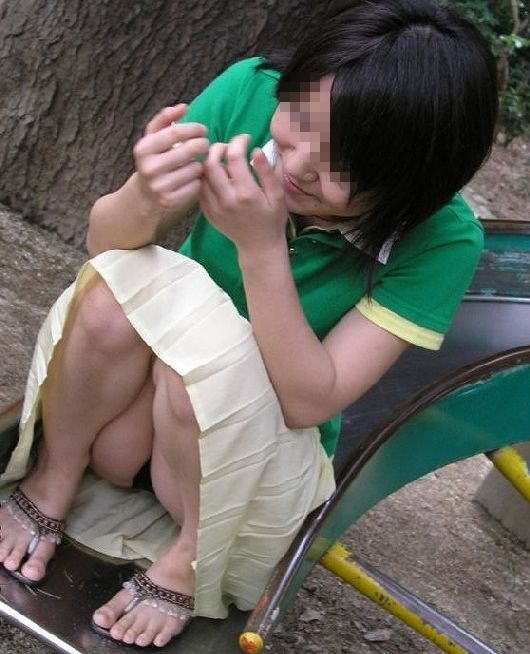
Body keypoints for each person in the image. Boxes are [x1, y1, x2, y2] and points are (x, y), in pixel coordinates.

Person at [0, 0, 498, 648]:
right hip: (146, 412)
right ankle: (54, 474)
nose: (296, 166)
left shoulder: (442, 240)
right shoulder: (250, 91)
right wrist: (143, 194)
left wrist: (262, 249)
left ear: (409, 186)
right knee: (110, 299)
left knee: (200, 372)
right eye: (295, 124)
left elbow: (310, 399)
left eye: (339, 166)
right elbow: (107, 251)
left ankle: (189, 560)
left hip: (249, 458)